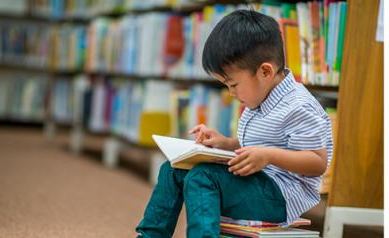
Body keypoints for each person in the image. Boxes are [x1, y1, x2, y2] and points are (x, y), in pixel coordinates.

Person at [136, 9, 333, 238]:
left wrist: (268, 156)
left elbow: (318, 161)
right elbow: (257, 144)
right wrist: (226, 143)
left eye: (233, 85)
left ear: (265, 72)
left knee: (203, 177)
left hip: (280, 196)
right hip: (254, 181)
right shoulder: (261, 97)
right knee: (173, 168)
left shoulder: (299, 107)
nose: (230, 93)